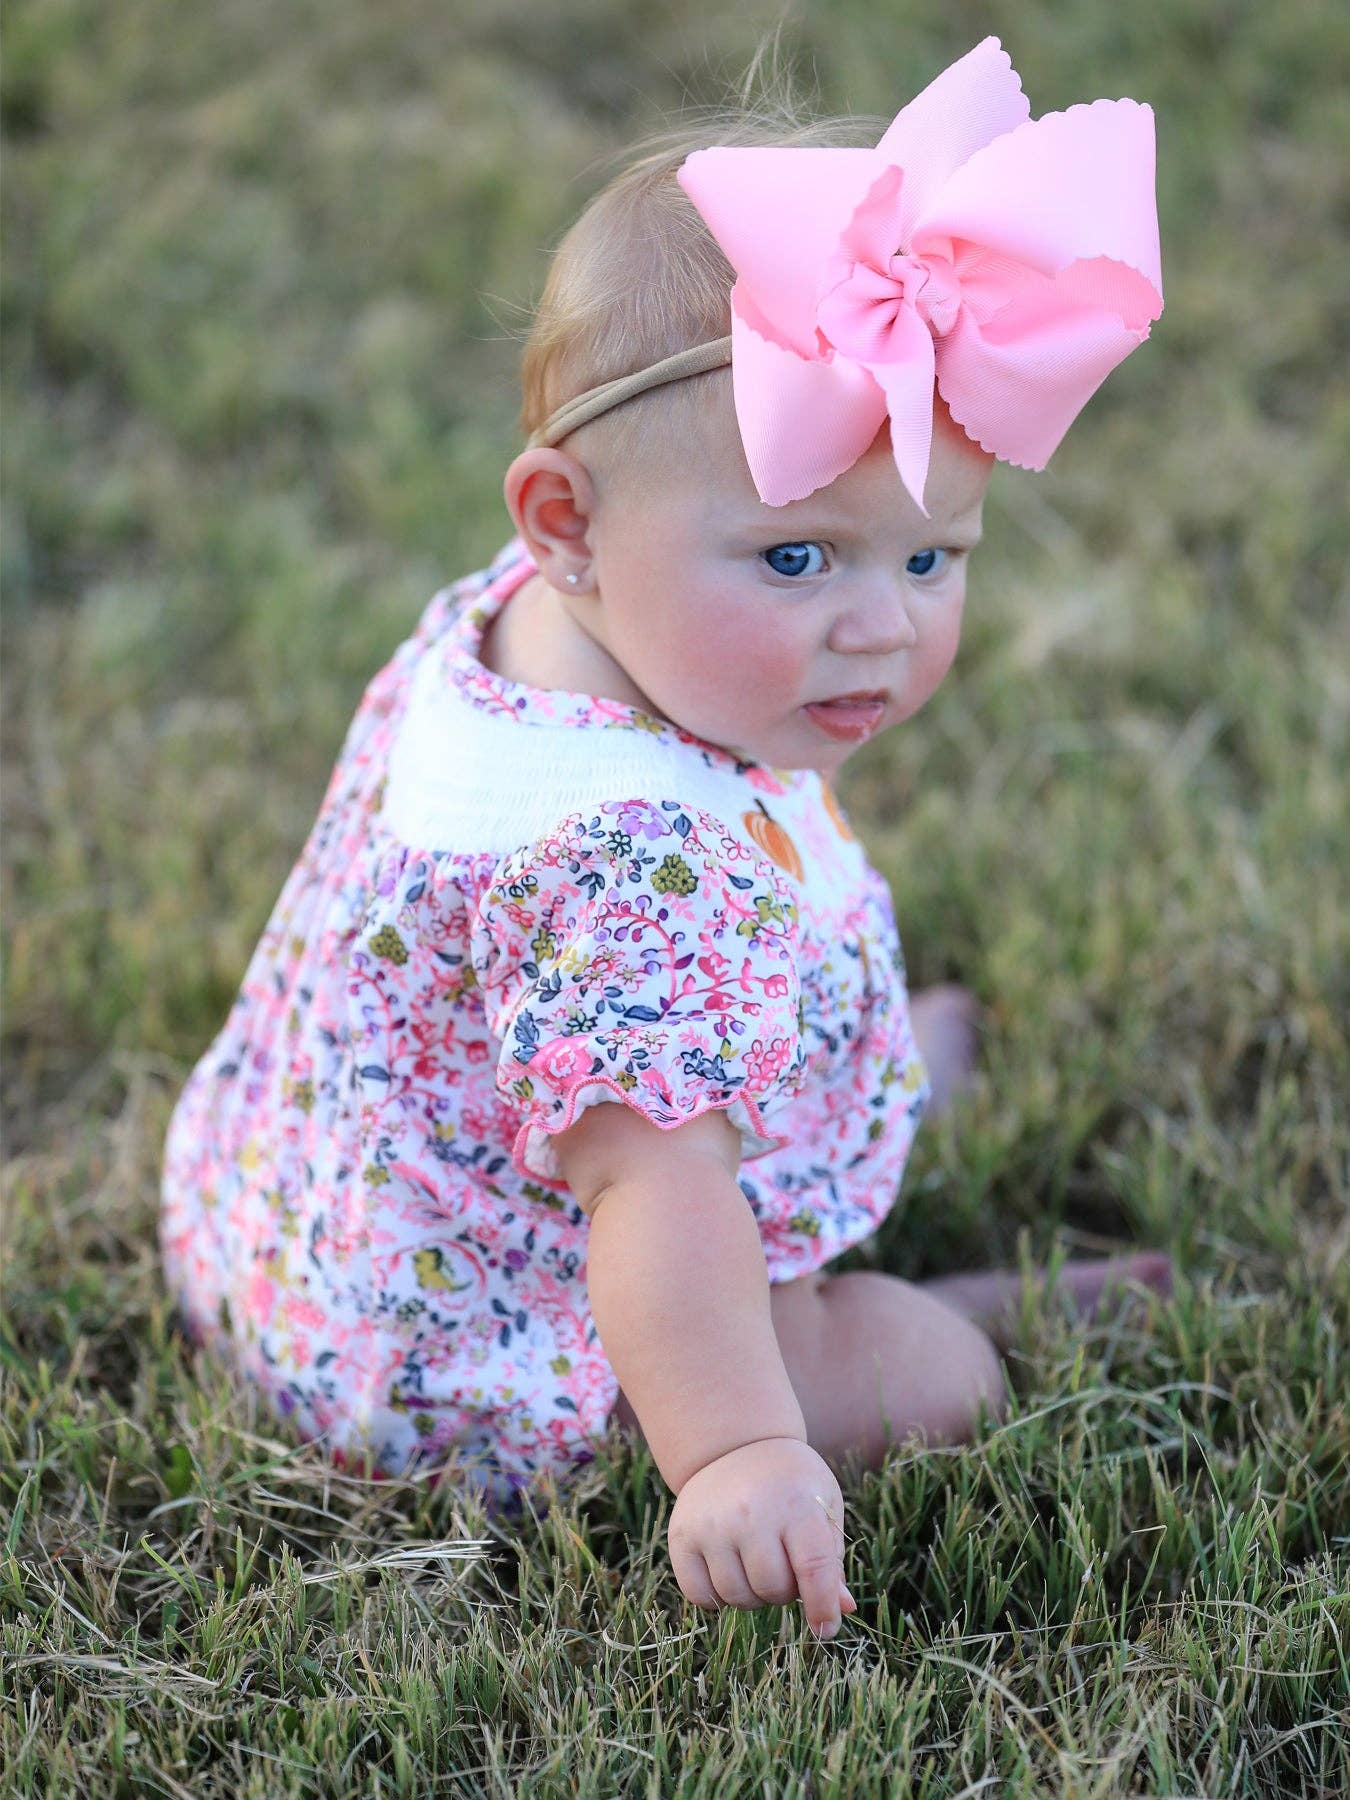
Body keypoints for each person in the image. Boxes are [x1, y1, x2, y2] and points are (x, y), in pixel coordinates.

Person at [159, 36, 1171, 1642]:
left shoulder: (537, 626)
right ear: (564, 520)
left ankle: (820, 1102)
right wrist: (740, 1448)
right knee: (926, 1371)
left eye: (930, 561)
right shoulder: (628, 868)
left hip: (312, 1231)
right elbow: (644, 1200)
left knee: (693, 1089)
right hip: (501, 1350)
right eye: (794, 561)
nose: (877, 633)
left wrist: (782, 574)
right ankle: (848, 1313)